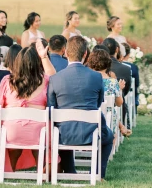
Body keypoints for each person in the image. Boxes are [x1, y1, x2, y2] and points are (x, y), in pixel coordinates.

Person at [48, 36, 113, 180]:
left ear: (65, 52)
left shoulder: (55, 78)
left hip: (64, 133)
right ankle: (98, 174)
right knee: (109, 137)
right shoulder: (96, 77)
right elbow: (98, 103)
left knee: (61, 126)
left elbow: (51, 107)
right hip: (91, 132)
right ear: (85, 54)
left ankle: (71, 172)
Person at [0, 39, 56, 173]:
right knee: (40, 130)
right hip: (39, 135)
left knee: (14, 131)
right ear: (37, 63)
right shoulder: (45, 80)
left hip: (10, 134)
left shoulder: (7, 81)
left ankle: (7, 171)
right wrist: (44, 57)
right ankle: (43, 168)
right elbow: (54, 77)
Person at [89, 47, 131, 138]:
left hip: (90, 114)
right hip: (108, 119)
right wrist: (119, 89)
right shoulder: (112, 82)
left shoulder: (88, 80)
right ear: (108, 63)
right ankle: (112, 141)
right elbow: (119, 103)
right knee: (112, 112)